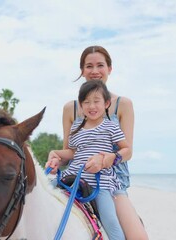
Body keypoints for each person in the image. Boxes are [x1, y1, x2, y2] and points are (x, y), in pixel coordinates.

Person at [60, 46, 149, 239]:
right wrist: (55, 157)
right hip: (77, 175)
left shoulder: (123, 104)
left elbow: (128, 151)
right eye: (88, 66)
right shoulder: (70, 108)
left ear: (109, 69)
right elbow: (70, 151)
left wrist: (108, 158)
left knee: (138, 237)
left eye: (100, 65)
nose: (94, 71)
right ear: (82, 70)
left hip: (112, 181)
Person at [46, 80, 128, 239]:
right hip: (73, 175)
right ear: (81, 106)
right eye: (86, 102)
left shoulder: (110, 126)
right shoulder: (76, 127)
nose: (92, 106)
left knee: (110, 220)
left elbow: (126, 148)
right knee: (43, 191)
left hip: (100, 181)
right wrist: (56, 154)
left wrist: (113, 158)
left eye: (96, 101)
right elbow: (72, 153)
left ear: (106, 103)